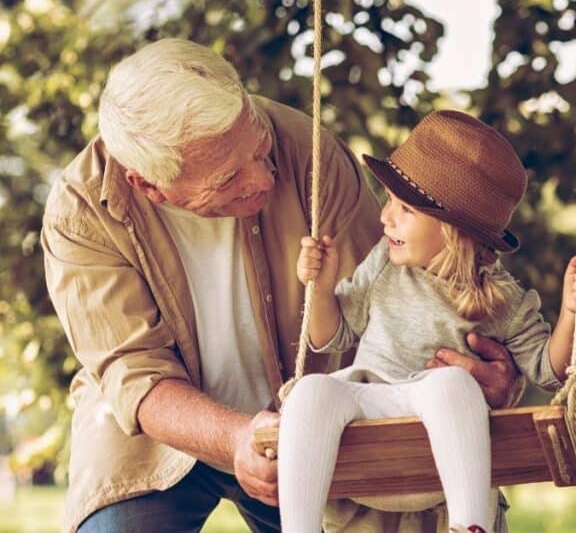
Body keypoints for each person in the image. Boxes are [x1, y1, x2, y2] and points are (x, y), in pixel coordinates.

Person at [41, 38, 523, 533]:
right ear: (148, 185)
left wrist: (475, 374)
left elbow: (397, 298)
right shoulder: (81, 213)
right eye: (229, 177)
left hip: (313, 419)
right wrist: (234, 438)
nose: (264, 178)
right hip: (158, 433)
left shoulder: (307, 150)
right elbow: (134, 373)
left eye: (259, 147)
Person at [278, 111, 576, 532]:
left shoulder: (500, 297)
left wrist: (572, 310)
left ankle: (469, 527)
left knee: (451, 383)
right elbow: (329, 336)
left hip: (441, 432)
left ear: (453, 229)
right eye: (389, 202)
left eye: (405, 209)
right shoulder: (384, 263)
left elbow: (550, 369)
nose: (385, 218)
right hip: (371, 405)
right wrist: (320, 288)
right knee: (309, 391)